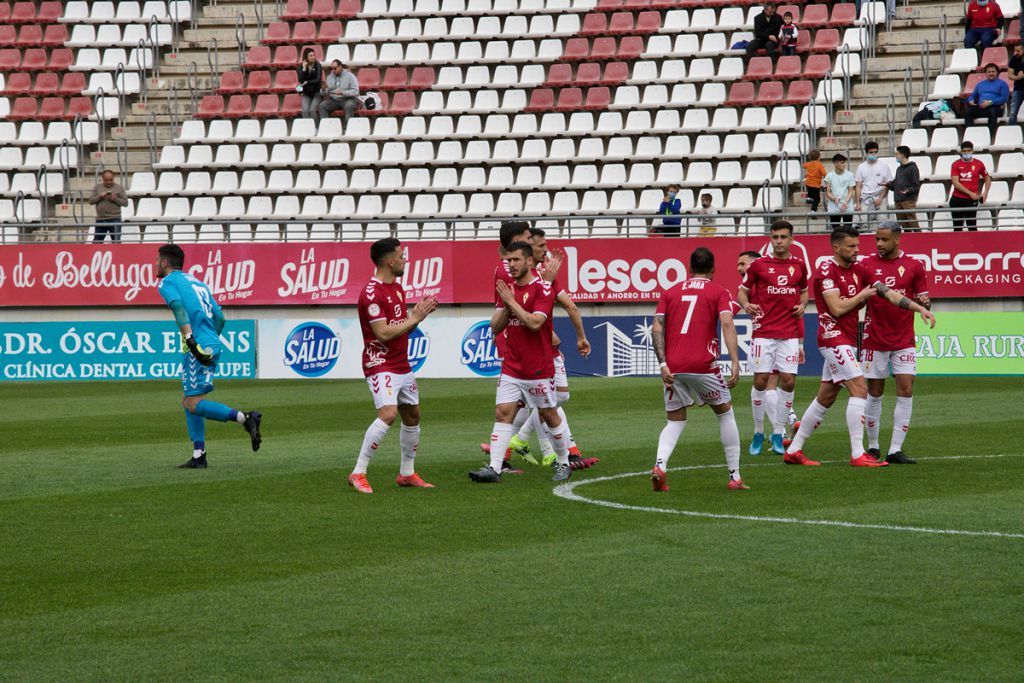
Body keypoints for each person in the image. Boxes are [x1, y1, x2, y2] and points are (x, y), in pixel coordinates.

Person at [782, 225, 934, 468]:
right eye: (851, 246)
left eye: (857, 246)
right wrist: (863, 295)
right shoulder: (826, 270)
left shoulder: (859, 269)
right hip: (832, 337)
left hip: (849, 339)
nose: (857, 250)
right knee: (861, 388)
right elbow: (837, 308)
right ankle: (858, 453)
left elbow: (889, 293)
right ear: (836, 247)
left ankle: (795, 449)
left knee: (826, 396)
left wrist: (920, 308)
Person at [469, 242, 573, 483]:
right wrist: (507, 303)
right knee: (503, 413)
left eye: (516, 260)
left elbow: (535, 323)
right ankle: (494, 469)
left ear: (528, 261)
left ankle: (564, 462)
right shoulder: (509, 291)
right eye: (508, 260)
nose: (511, 264)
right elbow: (495, 327)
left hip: (538, 367)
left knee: (549, 414)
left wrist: (511, 301)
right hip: (512, 367)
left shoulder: (543, 289)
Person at [155, 244, 262, 469]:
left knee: (193, 403)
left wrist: (192, 341)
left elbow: (177, 307)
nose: (155, 264)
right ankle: (199, 454)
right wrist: (210, 340)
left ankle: (245, 417)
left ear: (164, 263)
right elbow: (220, 317)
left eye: (157, 260)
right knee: (189, 401)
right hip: (210, 342)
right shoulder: (197, 282)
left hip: (197, 346)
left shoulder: (167, 282)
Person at [650, 247, 747, 492]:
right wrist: (735, 360)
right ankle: (735, 476)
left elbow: (657, 328)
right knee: (725, 413)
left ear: (689, 268)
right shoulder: (719, 291)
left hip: (673, 366)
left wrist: (662, 364)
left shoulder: (670, 292)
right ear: (714, 269)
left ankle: (660, 466)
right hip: (703, 364)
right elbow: (726, 322)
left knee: (675, 420)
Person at [348, 238, 439, 494]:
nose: (404, 259)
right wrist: (415, 317)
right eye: (401, 256)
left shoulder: (397, 289)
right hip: (379, 363)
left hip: (401, 363)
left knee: (412, 415)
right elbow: (384, 334)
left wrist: (419, 316)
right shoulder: (371, 293)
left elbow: (401, 328)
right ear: (389, 261)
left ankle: (407, 473)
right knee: (388, 413)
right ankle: (358, 472)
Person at [860, 223, 931, 465]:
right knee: (874, 391)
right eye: (877, 239)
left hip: (904, 340)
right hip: (874, 338)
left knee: (906, 389)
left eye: (884, 239)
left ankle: (895, 449)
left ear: (897, 239)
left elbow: (923, 297)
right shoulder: (866, 265)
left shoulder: (914, 265)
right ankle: (872, 447)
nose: (879, 244)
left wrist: (925, 302)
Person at [736, 220, 808, 457]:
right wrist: (746, 305)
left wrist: (803, 304)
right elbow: (742, 291)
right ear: (771, 238)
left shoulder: (799, 265)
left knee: (788, 381)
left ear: (791, 239)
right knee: (760, 382)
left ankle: (778, 432)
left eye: (783, 237)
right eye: (775, 237)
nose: (779, 241)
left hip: (788, 333)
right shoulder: (758, 265)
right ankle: (758, 432)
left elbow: (804, 290)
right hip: (763, 334)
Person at [949, 140, 990, 231]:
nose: (966, 153)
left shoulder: (978, 164)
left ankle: (975, 245)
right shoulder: (956, 164)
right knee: (957, 228)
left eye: (968, 150)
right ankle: (958, 245)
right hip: (957, 199)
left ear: (972, 151)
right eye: (964, 151)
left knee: (972, 227)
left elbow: (987, 178)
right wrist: (970, 193)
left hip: (971, 200)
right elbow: (955, 183)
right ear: (961, 151)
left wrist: (985, 192)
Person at [854, 141, 892, 230]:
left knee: (883, 224)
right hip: (865, 198)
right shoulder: (861, 167)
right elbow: (858, 186)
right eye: (871, 152)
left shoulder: (884, 165)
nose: (874, 154)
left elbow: (888, 183)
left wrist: (881, 198)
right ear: (866, 153)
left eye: (875, 152)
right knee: (863, 224)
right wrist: (858, 203)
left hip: (880, 197)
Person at [966, 63, 1010, 135]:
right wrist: (971, 100)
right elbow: (972, 95)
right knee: (969, 112)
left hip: (995, 107)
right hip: (982, 107)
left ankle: (989, 136)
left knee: (992, 111)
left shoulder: (1002, 84)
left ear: (997, 72)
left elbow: (1004, 98)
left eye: (993, 71)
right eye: (989, 72)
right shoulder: (980, 84)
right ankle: (970, 134)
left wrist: (990, 102)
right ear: (986, 73)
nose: (991, 73)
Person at [317, 60, 360, 127]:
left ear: (340, 67)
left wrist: (343, 92)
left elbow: (356, 91)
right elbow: (324, 93)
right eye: (332, 69)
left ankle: (348, 128)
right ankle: (326, 127)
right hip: (334, 100)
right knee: (322, 105)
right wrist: (323, 89)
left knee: (348, 106)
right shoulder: (329, 77)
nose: (333, 70)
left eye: (335, 68)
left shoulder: (350, 76)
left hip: (349, 99)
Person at [89, 169, 128, 243]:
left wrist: (115, 199)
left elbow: (125, 203)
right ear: (102, 178)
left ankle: (118, 254)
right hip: (100, 219)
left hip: (115, 219)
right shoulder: (97, 187)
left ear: (114, 178)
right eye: (106, 180)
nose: (109, 182)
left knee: (116, 242)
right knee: (97, 242)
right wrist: (100, 197)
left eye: (111, 180)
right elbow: (91, 201)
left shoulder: (119, 188)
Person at [891, 145, 921, 232]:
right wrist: (888, 184)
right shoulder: (899, 169)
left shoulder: (912, 168)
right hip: (898, 200)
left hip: (908, 200)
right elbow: (895, 184)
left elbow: (916, 186)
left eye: (897, 154)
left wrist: (908, 190)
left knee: (912, 222)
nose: (895, 156)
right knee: (903, 224)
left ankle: (921, 240)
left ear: (902, 155)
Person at [823, 153, 855, 229]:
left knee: (848, 230)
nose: (844, 165)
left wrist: (846, 202)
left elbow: (851, 191)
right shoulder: (829, 176)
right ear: (835, 163)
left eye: (844, 162)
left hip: (847, 206)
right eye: (842, 162)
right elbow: (828, 192)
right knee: (836, 230)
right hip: (834, 207)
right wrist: (834, 198)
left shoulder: (850, 175)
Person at [297, 47, 323, 119]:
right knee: (305, 110)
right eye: (310, 56)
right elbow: (300, 80)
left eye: (313, 55)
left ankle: (316, 127)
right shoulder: (301, 67)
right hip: (306, 92)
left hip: (316, 92)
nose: (313, 57)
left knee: (312, 110)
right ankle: (307, 127)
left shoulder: (318, 65)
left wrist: (307, 82)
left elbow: (318, 79)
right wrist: (304, 69)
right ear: (306, 57)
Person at [1009, 43, 1024, 125]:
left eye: (1018, 51)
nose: (1016, 53)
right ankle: (1011, 131)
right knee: (1013, 113)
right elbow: (1010, 75)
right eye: (1015, 51)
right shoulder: (1014, 59)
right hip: (1018, 88)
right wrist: (1017, 77)